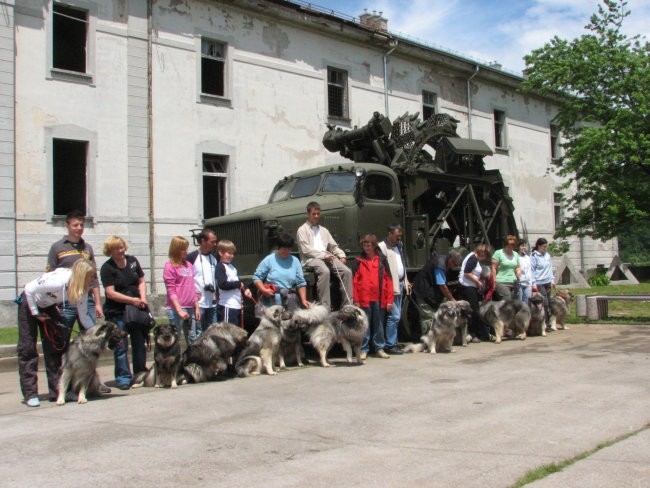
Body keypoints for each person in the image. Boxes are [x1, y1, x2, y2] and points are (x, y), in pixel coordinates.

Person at [17, 259, 97, 407]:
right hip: (29, 304)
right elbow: (28, 289)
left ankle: (58, 391)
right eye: (91, 276)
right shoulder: (57, 282)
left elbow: (84, 316)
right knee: (27, 348)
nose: (93, 279)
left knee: (56, 347)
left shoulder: (82, 290)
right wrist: (36, 314)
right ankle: (30, 394)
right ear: (82, 275)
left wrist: (95, 332)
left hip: (49, 306)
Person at [100, 236, 149, 390]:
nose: (120, 250)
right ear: (110, 251)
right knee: (121, 346)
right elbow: (110, 293)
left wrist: (142, 298)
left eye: (121, 247)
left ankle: (140, 373)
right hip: (117, 311)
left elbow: (141, 281)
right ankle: (123, 377)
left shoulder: (133, 261)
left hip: (136, 310)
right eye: (116, 248)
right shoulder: (107, 268)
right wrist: (131, 300)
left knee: (139, 342)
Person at [46, 209, 103, 329]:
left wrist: (98, 303)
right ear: (67, 226)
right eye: (75, 225)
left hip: (87, 300)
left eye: (81, 225)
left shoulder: (88, 248)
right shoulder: (57, 247)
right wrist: (53, 303)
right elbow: (49, 277)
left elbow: (94, 279)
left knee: (91, 337)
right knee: (62, 338)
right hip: (65, 300)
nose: (79, 228)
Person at [296, 201, 353, 310]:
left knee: (347, 272)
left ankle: (348, 306)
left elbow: (333, 246)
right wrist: (323, 255)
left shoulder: (324, 230)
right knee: (324, 271)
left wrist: (341, 255)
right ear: (308, 214)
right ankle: (325, 307)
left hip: (327, 257)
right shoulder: (302, 230)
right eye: (314, 214)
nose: (316, 216)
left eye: (318, 213)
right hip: (311, 259)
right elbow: (306, 250)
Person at [352, 234, 394, 360]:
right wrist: (356, 300)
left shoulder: (381, 260)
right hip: (364, 298)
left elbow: (389, 280)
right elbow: (354, 282)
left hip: (379, 298)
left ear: (374, 245)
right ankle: (364, 349)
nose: (366, 247)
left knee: (379, 324)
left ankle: (379, 348)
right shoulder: (358, 261)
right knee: (365, 325)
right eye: (364, 245)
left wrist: (390, 300)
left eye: (369, 245)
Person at [253, 234, 310, 311]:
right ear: (279, 247)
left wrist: (303, 300)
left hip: (290, 299)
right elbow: (257, 277)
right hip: (272, 298)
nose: (286, 251)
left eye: (289, 249)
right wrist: (263, 289)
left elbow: (301, 283)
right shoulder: (269, 259)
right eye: (284, 249)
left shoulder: (295, 261)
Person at [377, 224, 410, 355]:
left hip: (401, 283)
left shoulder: (399, 246)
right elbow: (382, 269)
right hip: (392, 286)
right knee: (394, 316)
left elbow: (402, 265)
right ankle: (390, 345)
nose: (399, 238)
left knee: (396, 316)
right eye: (397, 236)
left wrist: (406, 281)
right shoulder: (382, 247)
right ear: (389, 234)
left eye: (400, 236)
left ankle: (394, 342)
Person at [412, 250, 463, 332]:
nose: (455, 267)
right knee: (428, 318)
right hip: (424, 291)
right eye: (454, 264)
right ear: (450, 259)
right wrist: (452, 299)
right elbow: (442, 285)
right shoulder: (440, 264)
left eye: (457, 265)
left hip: (430, 291)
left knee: (436, 318)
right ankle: (427, 341)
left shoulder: (445, 262)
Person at [163, 236, 201, 346]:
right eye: (183, 249)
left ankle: (191, 362)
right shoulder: (169, 266)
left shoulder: (189, 265)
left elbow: (192, 287)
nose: (186, 251)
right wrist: (179, 310)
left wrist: (196, 306)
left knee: (193, 338)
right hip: (176, 309)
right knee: (175, 339)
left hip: (190, 307)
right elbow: (171, 290)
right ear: (176, 250)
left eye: (186, 248)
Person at [187, 229, 218, 335]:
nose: (215, 244)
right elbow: (187, 279)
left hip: (212, 302)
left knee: (212, 332)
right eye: (212, 242)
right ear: (203, 241)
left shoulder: (214, 257)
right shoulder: (192, 257)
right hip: (198, 303)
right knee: (197, 333)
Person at [458, 244, 491, 343]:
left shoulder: (473, 257)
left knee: (474, 310)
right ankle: (472, 334)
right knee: (474, 311)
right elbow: (466, 273)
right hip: (467, 286)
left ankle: (474, 333)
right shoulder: (473, 258)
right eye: (486, 255)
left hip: (470, 286)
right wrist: (478, 282)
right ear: (483, 253)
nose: (486, 257)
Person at [216, 240, 253, 326]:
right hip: (227, 305)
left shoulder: (232, 267)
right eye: (229, 253)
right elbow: (222, 284)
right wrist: (238, 284)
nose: (231, 256)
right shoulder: (220, 267)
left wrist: (246, 289)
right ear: (221, 253)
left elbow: (239, 282)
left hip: (237, 305)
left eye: (233, 254)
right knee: (228, 332)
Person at [531, 237, 555, 332]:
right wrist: (533, 284)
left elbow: (550, 268)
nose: (545, 248)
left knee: (548, 303)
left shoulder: (547, 255)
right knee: (544, 303)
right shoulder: (534, 256)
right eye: (543, 247)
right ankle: (544, 323)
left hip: (547, 281)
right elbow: (532, 271)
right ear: (539, 246)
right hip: (539, 282)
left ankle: (547, 323)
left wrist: (552, 280)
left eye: (546, 247)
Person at [491, 235, 522, 301]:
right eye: (509, 246)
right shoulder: (498, 253)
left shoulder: (515, 254)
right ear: (505, 245)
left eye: (512, 246)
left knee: (513, 303)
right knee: (507, 299)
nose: (510, 248)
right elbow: (493, 268)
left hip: (513, 281)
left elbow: (517, 267)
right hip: (501, 281)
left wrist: (518, 271)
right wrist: (493, 282)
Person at [517, 240, 533, 304]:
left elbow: (530, 271)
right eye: (522, 246)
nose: (524, 248)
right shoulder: (516, 257)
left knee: (527, 302)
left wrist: (531, 284)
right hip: (519, 283)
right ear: (518, 247)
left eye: (525, 246)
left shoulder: (528, 257)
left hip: (528, 283)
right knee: (519, 303)